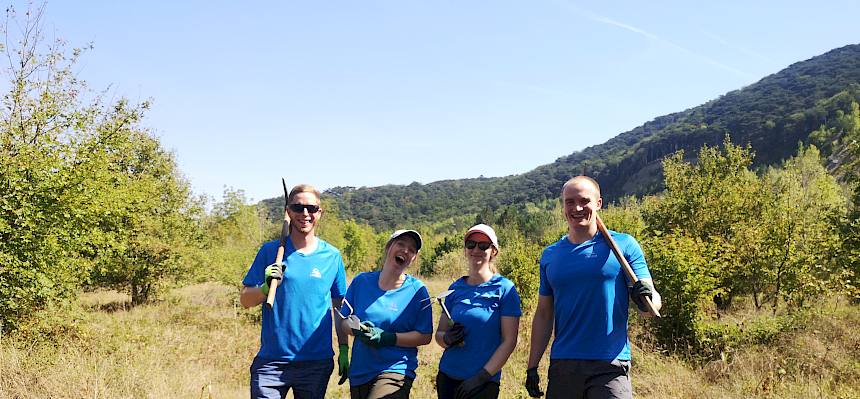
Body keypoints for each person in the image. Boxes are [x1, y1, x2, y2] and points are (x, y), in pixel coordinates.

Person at [525, 176, 662, 399]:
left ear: (598, 203)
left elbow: (651, 303)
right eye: (570, 202)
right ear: (563, 206)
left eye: (584, 201)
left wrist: (645, 297)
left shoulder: (624, 246)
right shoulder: (551, 255)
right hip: (564, 365)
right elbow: (544, 313)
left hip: (610, 364)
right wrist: (532, 366)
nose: (577, 208)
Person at [240, 184, 349, 399]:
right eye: (298, 208)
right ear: (288, 211)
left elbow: (339, 309)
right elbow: (245, 300)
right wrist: (264, 287)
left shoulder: (332, 256)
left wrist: (344, 349)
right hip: (272, 362)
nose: (305, 213)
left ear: (320, 212)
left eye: (311, 208)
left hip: (315, 363)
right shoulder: (270, 251)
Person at [339, 229, 433, 399]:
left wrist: (389, 338)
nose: (405, 251)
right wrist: (356, 329)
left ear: (414, 258)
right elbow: (344, 321)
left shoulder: (417, 291)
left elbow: (425, 336)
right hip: (361, 370)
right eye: (401, 244)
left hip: (395, 369)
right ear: (388, 247)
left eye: (411, 250)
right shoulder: (361, 282)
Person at [435, 224, 521, 399]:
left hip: (483, 383)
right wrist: (447, 338)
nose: (476, 250)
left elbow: (509, 341)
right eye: (471, 244)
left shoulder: (505, 289)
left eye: (483, 246)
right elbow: (439, 335)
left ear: (493, 251)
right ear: (465, 250)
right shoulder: (455, 288)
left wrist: (480, 378)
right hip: (448, 377)